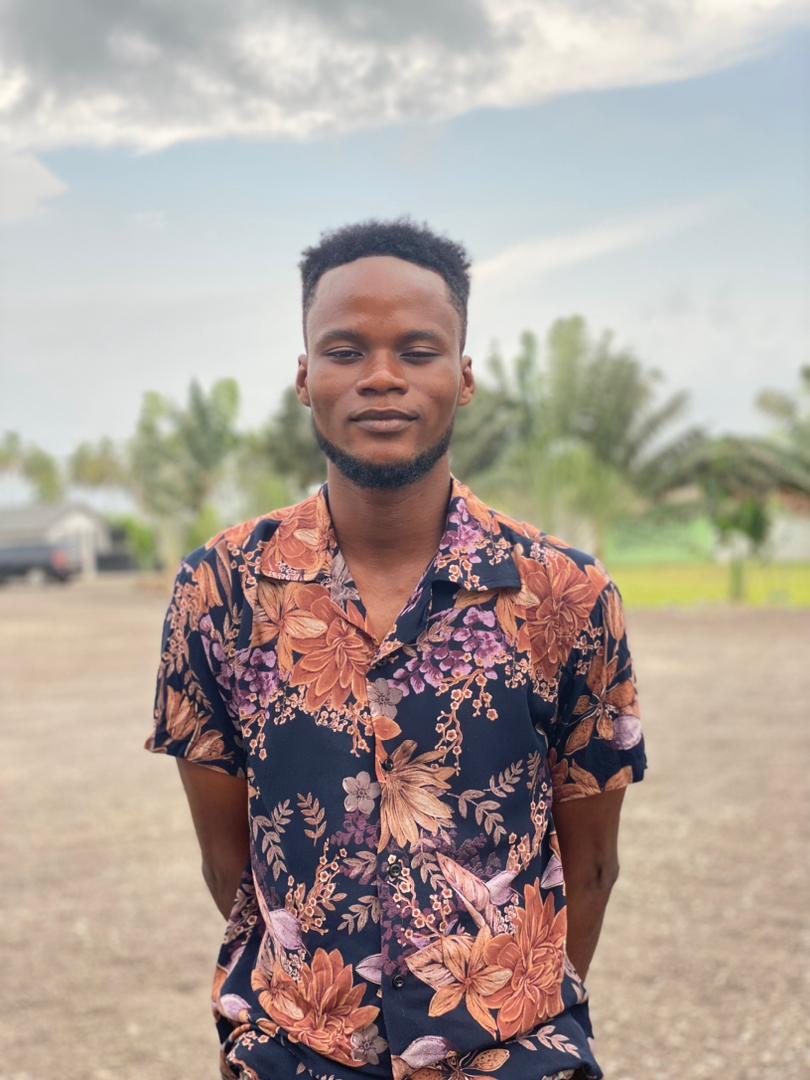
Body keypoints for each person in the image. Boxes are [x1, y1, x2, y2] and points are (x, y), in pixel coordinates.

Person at [145, 218, 647, 1080]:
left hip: (517, 1052)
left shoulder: (567, 594)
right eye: (345, 351)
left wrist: (513, 1011)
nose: (381, 377)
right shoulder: (219, 592)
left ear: (464, 376)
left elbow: (592, 861)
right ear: (305, 377)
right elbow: (230, 858)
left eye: (418, 351)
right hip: (296, 1051)